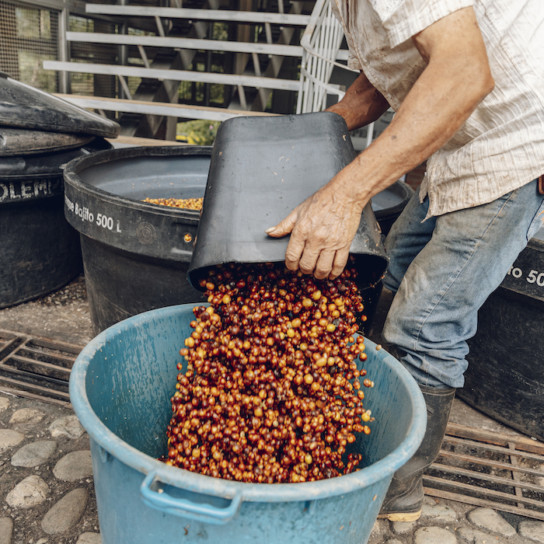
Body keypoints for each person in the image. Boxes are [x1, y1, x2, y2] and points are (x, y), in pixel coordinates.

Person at [266, 0, 544, 522]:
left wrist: (342, 196)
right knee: (385, 280)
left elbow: (463, 73)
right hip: (457, 142)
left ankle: (397, 489)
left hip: (517, 146)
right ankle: (367, 425)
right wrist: (311, 132)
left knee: (425, 324)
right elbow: (382, 78)